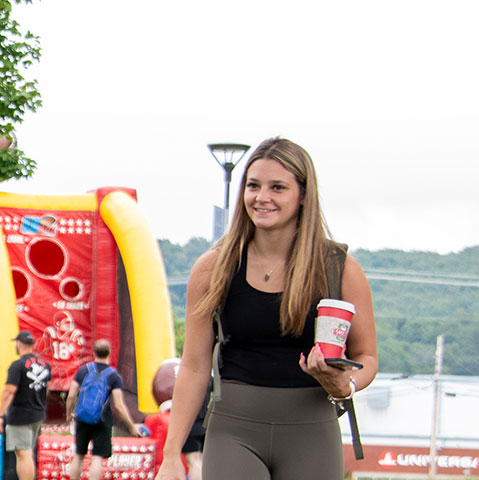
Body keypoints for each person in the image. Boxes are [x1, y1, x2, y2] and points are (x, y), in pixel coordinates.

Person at [154, 137, 378, 480]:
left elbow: (367, 357)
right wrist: (172, 455)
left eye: (277, 187)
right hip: (234, 432)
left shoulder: (339, 268)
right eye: (253, 186)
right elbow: (195, 367)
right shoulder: (213, 267)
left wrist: (343, 384)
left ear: (303, 195)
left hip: (312, 430)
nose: (262, 197)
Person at [67, 340, 140, 480]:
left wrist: (69, 415)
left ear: (93, 353)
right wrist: (131, 426)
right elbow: (119, 405)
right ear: (109, 353)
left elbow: (71, 396)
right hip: (102, 419)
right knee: (97, 458)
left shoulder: (83, 370)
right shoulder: (114, 376)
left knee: (78, 455)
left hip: (82, 417)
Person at [0, 331, 50, 480]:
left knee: (23, 454)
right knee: (27, 453)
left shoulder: (17, 365)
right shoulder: (45, 365)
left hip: (21, 415)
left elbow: (9, 391)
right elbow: (47, 389)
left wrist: (0, 415)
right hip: (37, 413)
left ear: (19, 343)